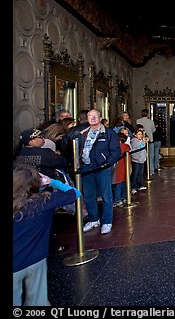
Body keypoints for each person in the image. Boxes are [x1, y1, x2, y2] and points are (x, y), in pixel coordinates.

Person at [13, 164, 81, 306]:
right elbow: (74, 193)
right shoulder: (44, 201)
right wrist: (52, 182)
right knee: (38, 302)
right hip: (36, 259)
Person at [77, 109, 121, 235]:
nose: (92, 119)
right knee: (89, 195)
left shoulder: (108, 133)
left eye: (95, 116)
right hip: (86, 167)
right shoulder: (82, 133)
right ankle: (93, 219)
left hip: (101, 168)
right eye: (90, 116)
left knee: (106, 195)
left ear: (100, 118)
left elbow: (116, 151)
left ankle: (107, 221)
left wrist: (107, 163)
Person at [112, 132, 131, 207]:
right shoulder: (126, 146)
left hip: (117, 169)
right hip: (124, 167)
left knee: (117, 185)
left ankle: (117, 200)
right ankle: (123, 197)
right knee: (122, 184)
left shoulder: (116, 147)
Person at [137, 109, 157, 177]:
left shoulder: (138, 121)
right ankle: (151, 171)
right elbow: (153, 130)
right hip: (150, 140)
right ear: (148, 114)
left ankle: (142, 172)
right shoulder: (151, 121)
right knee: (151, 156)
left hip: (140, 140)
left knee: (141, 156)